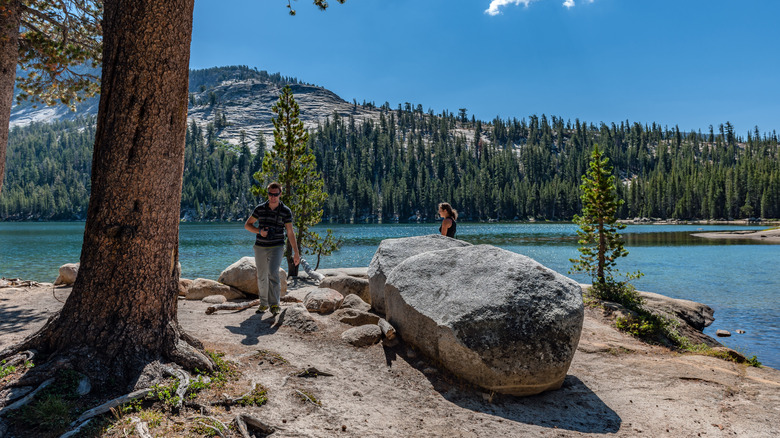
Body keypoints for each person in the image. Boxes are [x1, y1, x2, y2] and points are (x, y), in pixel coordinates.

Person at [244, 182, 300, 316]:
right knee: (262, 276)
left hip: (277, 246)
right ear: (268, 194)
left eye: (276, 194)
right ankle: (263, 304)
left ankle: (274, 304)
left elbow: (290, 232)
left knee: (273, 273)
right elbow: (247, 225)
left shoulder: (285, 211)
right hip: (260, 247)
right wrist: (259, 231)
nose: (273, 197)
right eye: (270, 194)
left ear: (280, 194)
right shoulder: (260, 209)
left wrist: (296, 253)